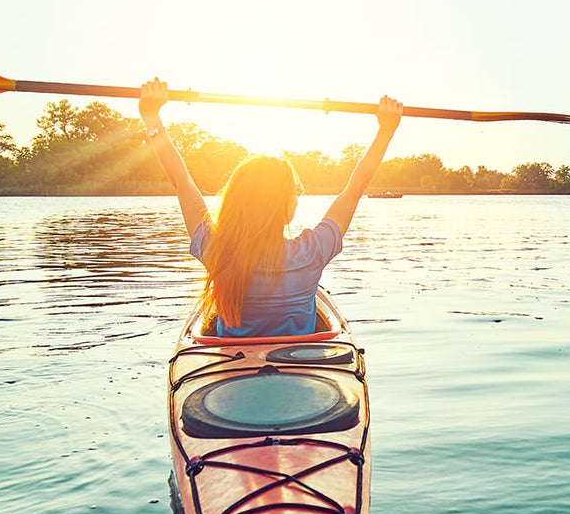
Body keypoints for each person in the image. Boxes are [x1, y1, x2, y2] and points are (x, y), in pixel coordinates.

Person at [139, 79, 403, 337]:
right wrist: (386, 130)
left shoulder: (216, 251)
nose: (297, 199)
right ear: (285, 207)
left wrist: (151, 117)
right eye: (294, 194)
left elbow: (181, 181)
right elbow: (355, 188)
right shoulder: (312, 253)